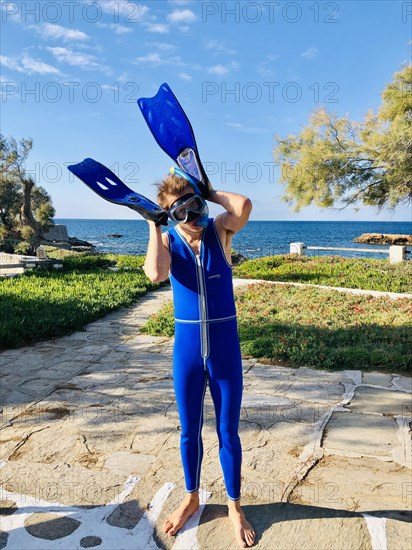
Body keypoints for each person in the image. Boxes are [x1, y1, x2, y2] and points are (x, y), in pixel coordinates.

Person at [144, 169, 255, 548]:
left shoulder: (220, 230)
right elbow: (156, 274)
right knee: (189, 431)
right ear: (169, 217)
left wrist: (207, 190)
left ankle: (234, 507)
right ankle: (191, 498)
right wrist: (154, 226)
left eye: (194, 207)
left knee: (228, 432)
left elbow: (243, 206)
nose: (190, 219)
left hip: (224, 349)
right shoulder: (167, 238)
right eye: (180, 213)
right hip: (188, 353)